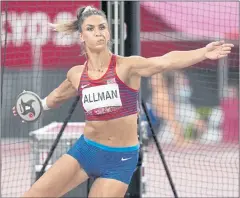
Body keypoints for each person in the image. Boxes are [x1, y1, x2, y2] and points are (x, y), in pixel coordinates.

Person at [12, 5, 234, 198]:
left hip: (120, 159)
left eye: (102, 27)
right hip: (85, 151)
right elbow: (57, 97)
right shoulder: (76, 74)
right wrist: (35, 106)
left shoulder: (126, 66)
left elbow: (165, 62)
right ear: (81, 36)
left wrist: (203, 52)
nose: (98, 33)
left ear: (108, 33)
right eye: (90, 29)